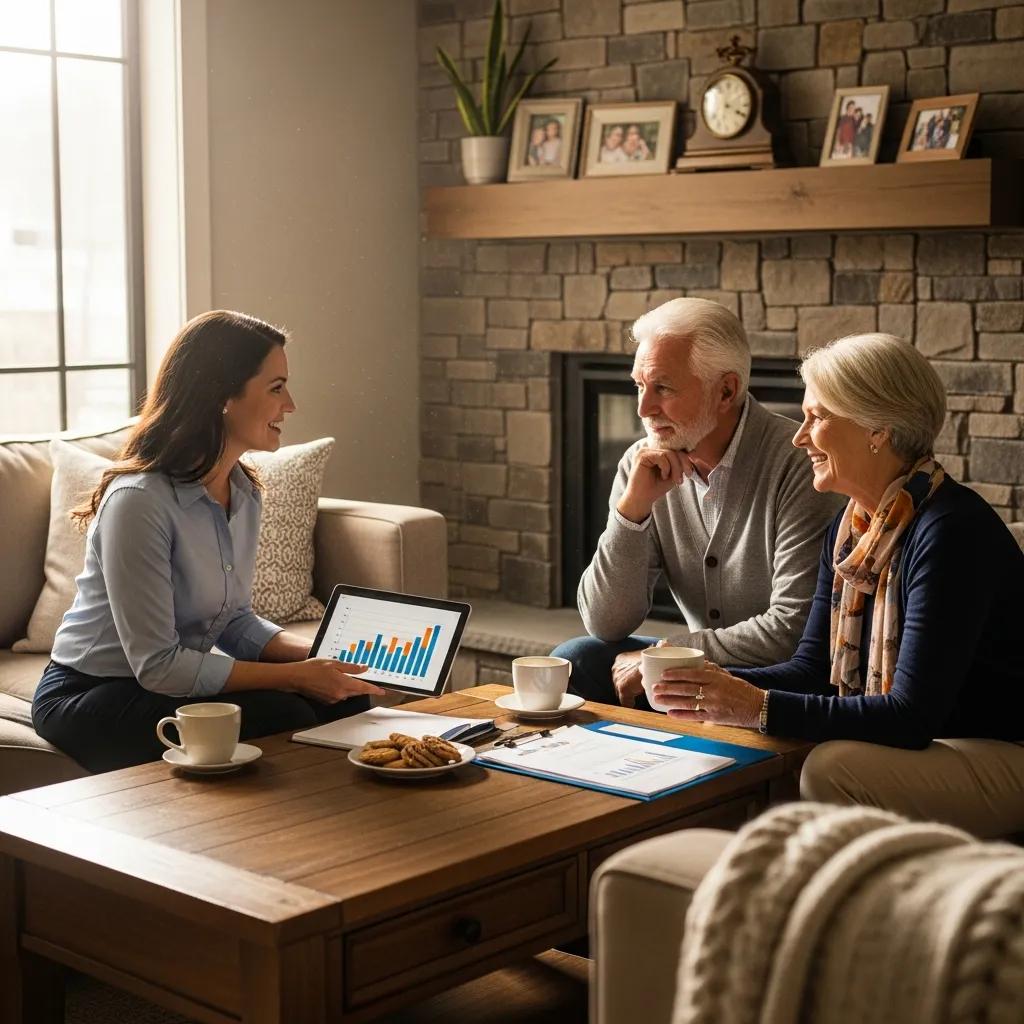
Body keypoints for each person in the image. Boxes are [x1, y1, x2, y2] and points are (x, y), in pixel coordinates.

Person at [650, 333, 1024, 837]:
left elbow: (910, 716)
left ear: (878, 430)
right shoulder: (851, 530)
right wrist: (709, 685)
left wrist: (755, 706)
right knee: (753, 734)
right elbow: (813, 671)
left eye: (817, 417)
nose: (800, 437)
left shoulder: (951, 532)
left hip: (1003, 750)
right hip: (941, 745)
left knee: (831, 767)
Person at [32, 310, 384, 773]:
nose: (291, 405)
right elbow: (159, 665)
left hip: (161, 683)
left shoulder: (243, 490)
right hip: (91, 693)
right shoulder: (139, 502)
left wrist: (324, 656)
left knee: (346, 699)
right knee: (285, 713)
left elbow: (232, 620)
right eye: (276, 388)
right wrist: (295, 677)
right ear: (222, 395)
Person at [552, 298, 842, 709]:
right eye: (639, 386)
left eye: (663, 388)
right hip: (696, 667)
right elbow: (605, 622)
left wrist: (668, 652)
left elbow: (791, 630)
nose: (643, 408)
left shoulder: (800, 466)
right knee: (578, 658)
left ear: (725, 391)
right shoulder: (641, 463)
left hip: (775, 680)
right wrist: (632, 511)